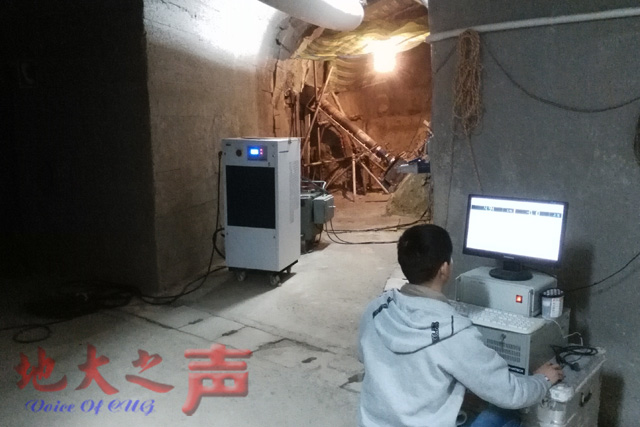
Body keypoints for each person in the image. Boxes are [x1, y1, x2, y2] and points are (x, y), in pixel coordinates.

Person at [357, 224, 564, 427]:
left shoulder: (376, 309)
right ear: (444, 268)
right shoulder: (454, 332)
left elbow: (365, 356)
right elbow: (512, 394)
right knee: (507, 414)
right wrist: (543, 379)